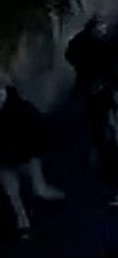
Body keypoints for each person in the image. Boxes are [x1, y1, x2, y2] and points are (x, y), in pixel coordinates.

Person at [0, 84, 64, 237]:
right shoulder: (20, 105)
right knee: (12, 182)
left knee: (13, 183)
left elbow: (36, 127)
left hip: (18, 147)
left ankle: (23, 217)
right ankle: (23, 217)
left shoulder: (19, 107)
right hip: (17, 148)